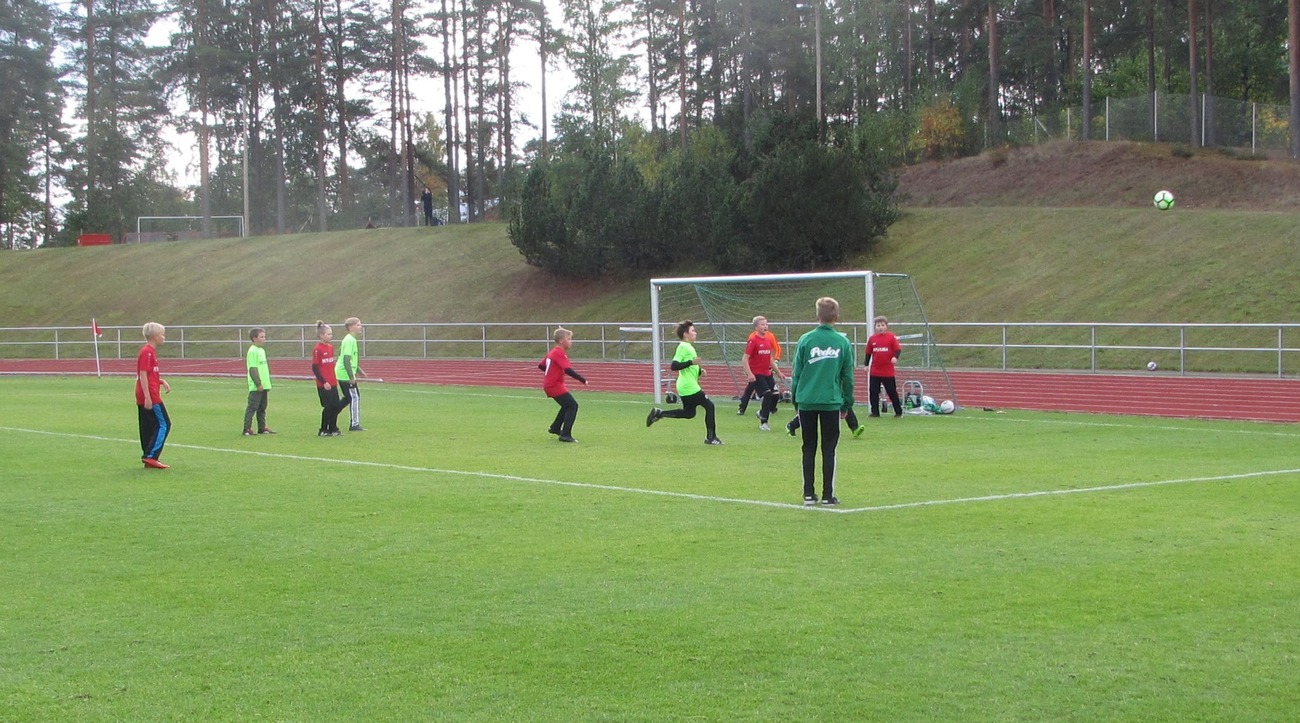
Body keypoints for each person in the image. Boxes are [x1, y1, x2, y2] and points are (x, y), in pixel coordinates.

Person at [790, 297, 855, 506]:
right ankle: (828, 494)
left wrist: (795, 399)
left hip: (806, 400)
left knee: (808, 447)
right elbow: (848, 376)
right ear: (836, 316)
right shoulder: (842, 342)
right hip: (831, 401)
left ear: (817, 315)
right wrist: (847, 402)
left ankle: (808, 494)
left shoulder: (805, 340)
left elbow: (796, 373)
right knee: (829, 449)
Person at [646, 320, 723, 445]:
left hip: (686, 386)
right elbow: (674, 365)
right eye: (693, 331)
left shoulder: (689, 347)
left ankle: (660, 413)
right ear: (686, 334)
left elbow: (688, 368)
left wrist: (699, 371)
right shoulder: (683, 347)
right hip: (689, 386)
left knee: (689, 413)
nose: (695, 333)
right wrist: (691, 362)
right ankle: (711, 437)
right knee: (709, 406)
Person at [784, 329, 865, 438]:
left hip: (831, 391)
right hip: (818, 393)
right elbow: (797, 373)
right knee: (818, 408)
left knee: (840, 404)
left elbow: (847, 375)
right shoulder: (810, 342)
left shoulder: (837, 347)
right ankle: (792, 425)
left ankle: (854, 427)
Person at [538, 327, 588, 443]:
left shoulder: (553, 351)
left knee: (567, 405)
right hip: (554, 385)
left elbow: (541, 366)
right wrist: (582, 380)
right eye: (569, 339)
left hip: (551, 384)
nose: (571, 341)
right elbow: (567, 369)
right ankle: (565, 435)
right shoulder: (559, 353)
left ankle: (555, 427)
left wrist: (552, 372)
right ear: (561, 341)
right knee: (572, 406)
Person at [135, 322, 172, 469]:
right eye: (162, 334)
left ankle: (148, 455)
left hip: (148, 393)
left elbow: (150, 374)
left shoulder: (150, 352)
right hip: (150, 395)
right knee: (164, 424)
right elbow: (142, 375)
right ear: (155, 337)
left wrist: (160, 381)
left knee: (149, 425)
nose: (164, 337)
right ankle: (151, 456)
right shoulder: (147, 352)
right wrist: (148, 397)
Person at [737, 316, 783, 429]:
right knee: (767, 394)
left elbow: (770, 359)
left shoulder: (767, 340)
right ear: (756, 327)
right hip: (757, 373)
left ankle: (762, 412)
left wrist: (778, 372)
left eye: (766, 324)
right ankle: (764, 422)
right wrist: (749, 373)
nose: (765, 326)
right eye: (762, 324)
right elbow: (745, 358)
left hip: (767, 373)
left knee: (776, 395)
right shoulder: (753, 340)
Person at [312, 321, 351, 436]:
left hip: (332, 382)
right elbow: (315, 368)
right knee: (328, 407)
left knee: (335, 406)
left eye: (331, 334)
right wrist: (324, 382)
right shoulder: (317, 349)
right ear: (321, 335)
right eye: (328, 334)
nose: (331, 336)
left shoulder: (330, 347)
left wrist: (333, 380)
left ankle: (333, 428)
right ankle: (323, 429)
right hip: (324, 384)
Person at [866, 315, 904, 418]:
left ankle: (898, 412)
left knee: (891, 391)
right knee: (873, 392)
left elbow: (897, 349)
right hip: (875, 371)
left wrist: (895, 357)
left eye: (883, 325)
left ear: (886, 326)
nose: (880, 327)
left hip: (887, 372)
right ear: (875, 327)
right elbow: (868, 352)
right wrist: (866, 364)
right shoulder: (872, 339)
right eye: (878, 325)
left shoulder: (891, 337)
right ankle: (875, 412)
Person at [335, 317, 367, 431]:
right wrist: (351, 376)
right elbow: (346, 360)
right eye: (358, 325)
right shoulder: (349, 340)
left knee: (349, 398)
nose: (360, 327)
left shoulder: (350, 339)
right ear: (351, 327)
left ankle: (332, 412)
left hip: (342, 373)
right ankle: (354, 424)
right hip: (344, 374)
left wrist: (359, 370)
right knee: (355, 397)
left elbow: (350, 360)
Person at [242, 327, 275, 436]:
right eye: (261, 337)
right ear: (254, 338)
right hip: (256, 386)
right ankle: (247, 428)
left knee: (262, 407)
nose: (264, 339)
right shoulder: (252, 351)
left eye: (264, 336)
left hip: (264, 385)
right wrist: (258, 383)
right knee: (252, 407)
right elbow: (253, 369)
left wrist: (266, 384)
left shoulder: (261, 351)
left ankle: (262, 427)